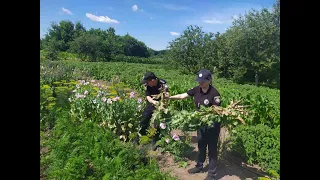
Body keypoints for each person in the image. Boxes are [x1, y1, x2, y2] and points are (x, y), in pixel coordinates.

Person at [168, 69, 221, 180]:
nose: (200, 83)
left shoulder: (214, 93)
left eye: (202, 81)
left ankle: (212, 174)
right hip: (200, 124)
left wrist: (205, 115)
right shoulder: (196, 90)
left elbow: (217, 110)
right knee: (201, 145)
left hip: (212, 125)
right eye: (199, 80)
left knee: (212, 149)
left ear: (209, 80)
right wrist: (169, 97)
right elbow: (183, 96)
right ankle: (199, 166)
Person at [138, 71, 170, 150]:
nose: (146, 84)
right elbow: (148, 96)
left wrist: (162, 96)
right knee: (144, 119)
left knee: (158, 122)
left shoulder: (163, 84)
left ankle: (155, 141)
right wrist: (153, 101)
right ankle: (140, 136)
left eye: (147, 82)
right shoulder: (147, 85)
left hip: (161, 104)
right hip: (151, 103)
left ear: (152, 80)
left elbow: (168, 95)